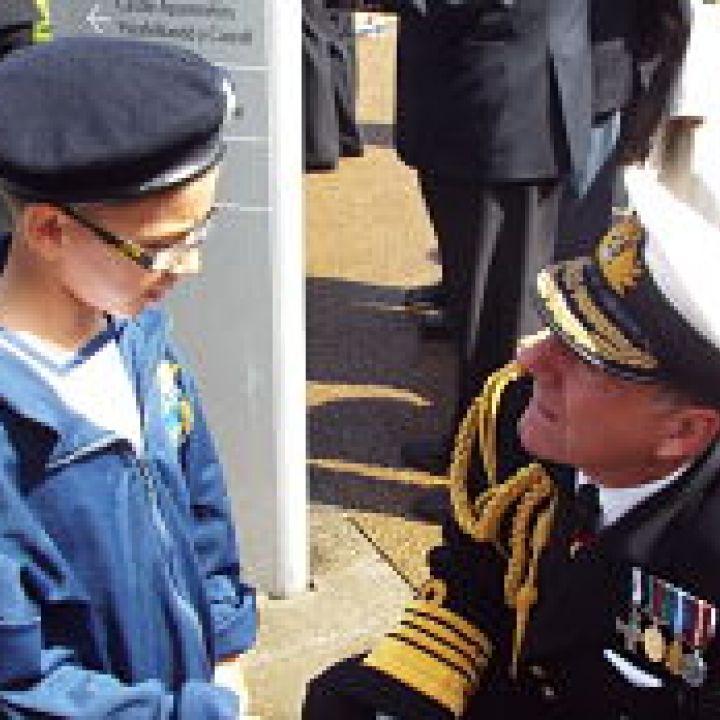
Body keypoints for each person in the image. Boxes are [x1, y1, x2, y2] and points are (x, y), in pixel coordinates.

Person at [303, 166, 720, 718]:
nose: (531, 359)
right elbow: (474, 572)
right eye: (557, 324)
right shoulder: (514, 413)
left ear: (683, 431)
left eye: (586, 358)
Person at [0, 37, 256, 717]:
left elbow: (198, 492)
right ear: (50, 230)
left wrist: (227, 644)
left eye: (202, 231)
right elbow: (20, 682)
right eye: (162, 246)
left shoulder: (133, 328)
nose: (190, 266)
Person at [395, 0, 689, 477]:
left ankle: (496, 478)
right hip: (490, 98)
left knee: (502, 318)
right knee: (483, 310)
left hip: (509, 104)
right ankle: (477, 448)